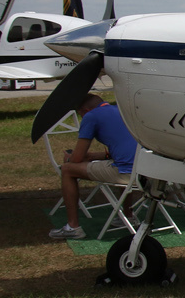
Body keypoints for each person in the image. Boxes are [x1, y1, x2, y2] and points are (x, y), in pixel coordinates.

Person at [50, 93, 138, 240]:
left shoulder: (91, 116)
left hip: (126, 173)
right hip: (144, 170)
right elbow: (124, 149)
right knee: (120, 164)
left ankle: (73, 227)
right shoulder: (121, 110)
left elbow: (76, 159)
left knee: (67, 170)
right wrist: (91, 156)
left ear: (84, 110)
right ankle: (128, 215)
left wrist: (69, 157)